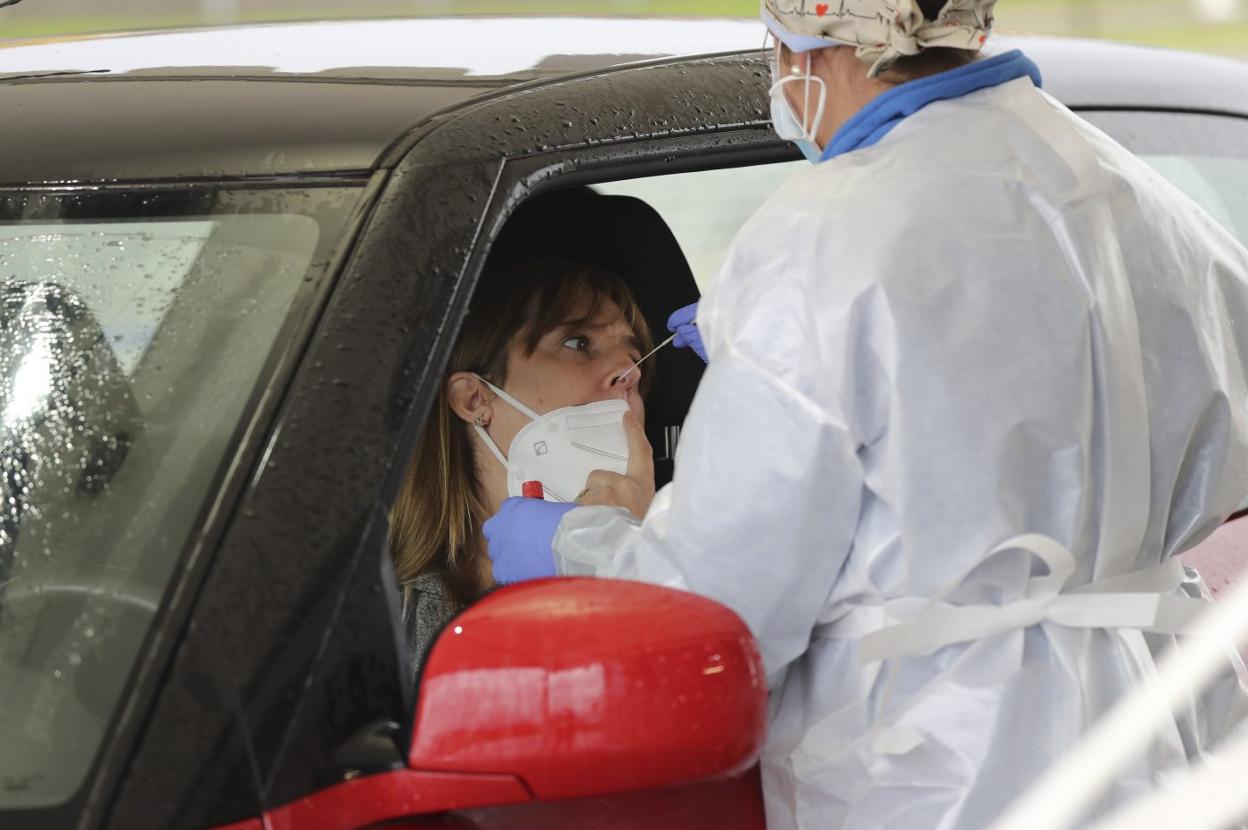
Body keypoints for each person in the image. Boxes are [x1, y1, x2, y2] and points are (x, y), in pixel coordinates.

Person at [483, 1, 1248, 828]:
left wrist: (584, 548)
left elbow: (721, 620)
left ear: (808, 43)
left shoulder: (822, 239)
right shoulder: (1132, 191)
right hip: (1174, 732)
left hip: (947, 764)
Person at [388, 257, 653, 682]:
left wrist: (627, 562)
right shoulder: (382, 604)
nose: (630, 372)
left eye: (633, 356)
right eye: (578, 342)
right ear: (475, 400)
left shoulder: (691, 561)